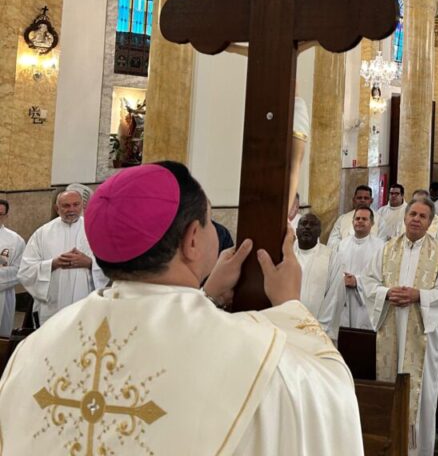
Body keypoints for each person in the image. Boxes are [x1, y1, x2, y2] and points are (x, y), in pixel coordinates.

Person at [0, 162, 362, 454]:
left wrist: (204, 296)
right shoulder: (258, 359)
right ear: (192, 240)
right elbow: (329, 396)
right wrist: (290, 306)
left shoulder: (32, 350)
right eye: (207, 222)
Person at [365, 196, 438, 456]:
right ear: (404, 218)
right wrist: (385, 293)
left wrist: (419, 296)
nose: (416, 219)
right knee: (389, 384)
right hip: (390, 327)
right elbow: (369, 283)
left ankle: (417, 451)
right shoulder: (386, 249)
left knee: (422, 393)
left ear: (430, 222)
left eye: (422, 216)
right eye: (412, 214)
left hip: (423, 334)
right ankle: (388, 444)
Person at [19, 186, 107, 324]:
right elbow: (25, 271)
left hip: (85, 302)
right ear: (57, 208)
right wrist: (53, 264)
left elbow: (114, 265)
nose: (71, 209)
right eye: (66, 205)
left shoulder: (96, 229)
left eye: (75, 204)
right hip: (53, 306)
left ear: (82, 205)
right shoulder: (42, 234)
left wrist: (89, 263)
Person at [335, 206, 384, 330]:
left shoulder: (380, 247)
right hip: (344, 298)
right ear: (352, 222)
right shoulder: (342, 244)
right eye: (357, 218)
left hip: (365, 302)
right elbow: (335, 270)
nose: (360, 221)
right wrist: (342, 279)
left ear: (372, 223)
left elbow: (381, 277)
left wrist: (357, 281)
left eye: (364, 219)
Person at [293, 213, 342, 335]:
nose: (307, 227)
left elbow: (335, 296)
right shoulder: (286, 254)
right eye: (303, 224)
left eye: (312, 224)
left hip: (318, 329)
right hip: (288, 326)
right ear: (296, 230)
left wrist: (321, 328)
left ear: (319, 232)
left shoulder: (331, 257)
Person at [0, 200, 25, 336]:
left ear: (6, 216)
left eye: (0, 214)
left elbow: (20, 270)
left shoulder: (15, 240)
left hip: (3, 296)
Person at [327, 184, 374, 248]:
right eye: (359, 198)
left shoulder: (380, 221)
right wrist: (347, 247)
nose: (362, 200)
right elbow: (332, 242)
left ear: (371, 201)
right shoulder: (342, 219)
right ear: (354, 200)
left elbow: (381, 245)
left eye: (366, 198)